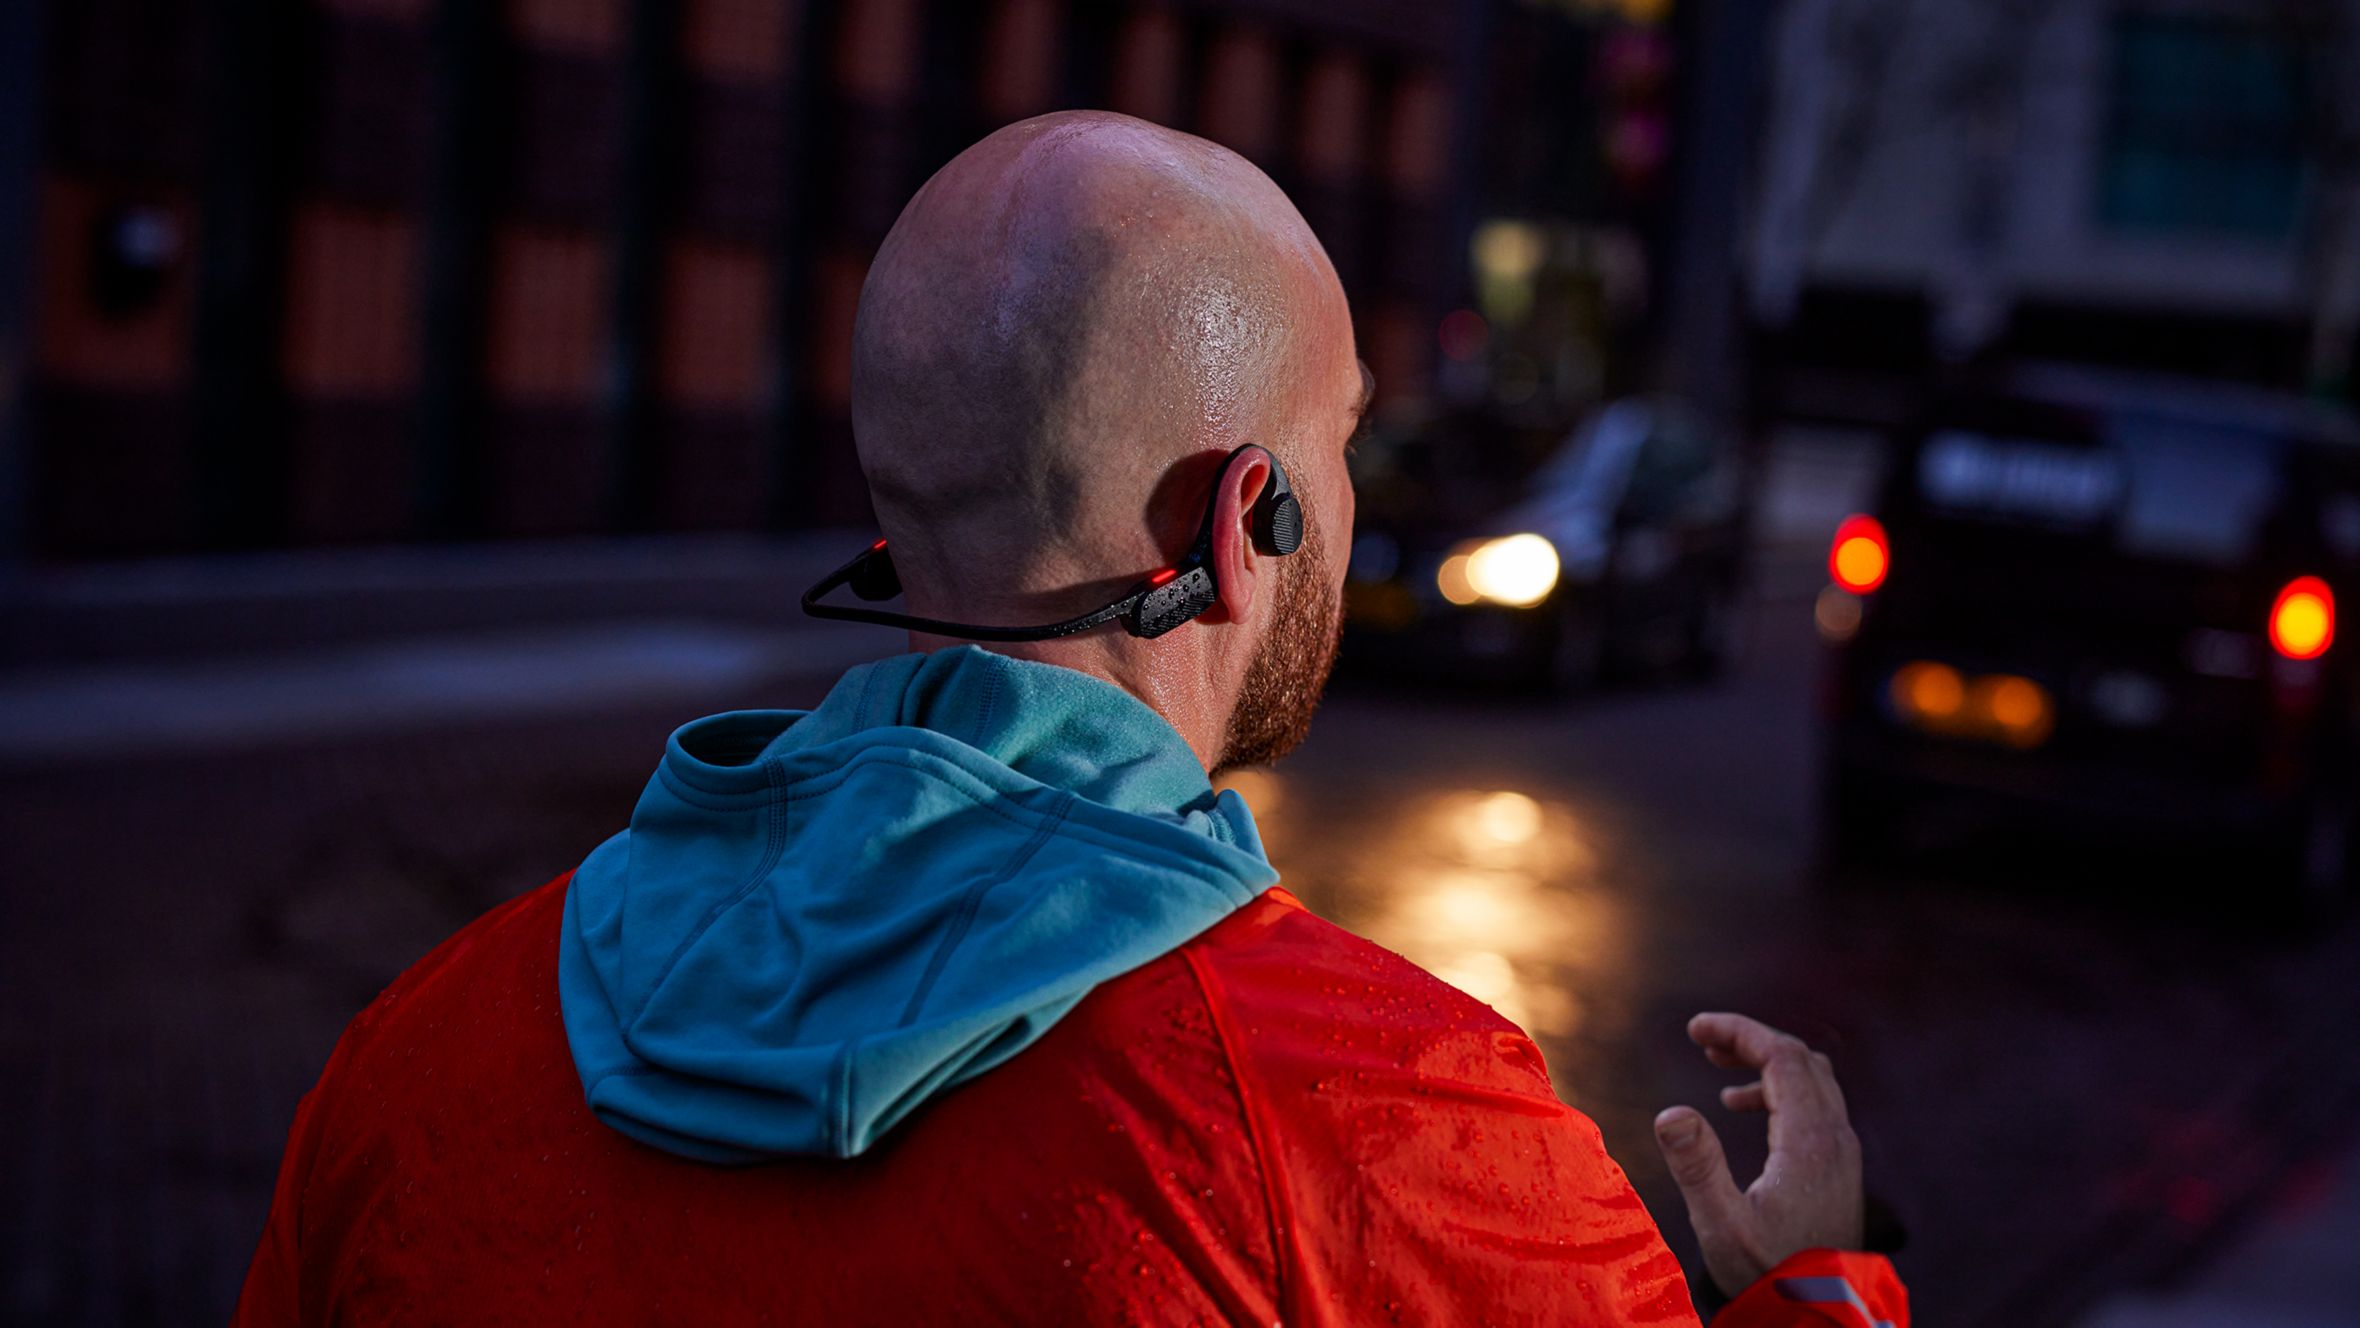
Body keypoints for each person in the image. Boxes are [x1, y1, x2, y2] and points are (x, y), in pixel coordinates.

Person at [235, 112, 1906, 1326]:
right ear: (1239, 525)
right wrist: (1817, 1293)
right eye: (1339, 443)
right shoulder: (1400, 1129)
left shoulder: (421, 1048)